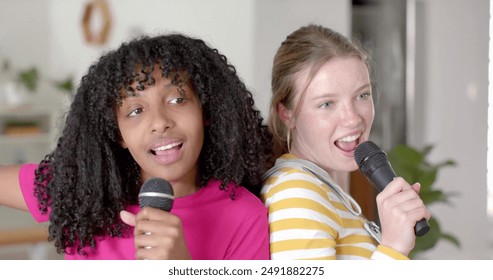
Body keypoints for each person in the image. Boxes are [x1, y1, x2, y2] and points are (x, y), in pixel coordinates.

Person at [0, 33, 273, 260]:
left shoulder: (243, 216)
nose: (160, 123)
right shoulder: (83, 189)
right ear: (117, 132)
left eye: (177, 100)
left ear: (206, 112)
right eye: (135, 110)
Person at [261, 24, 431, 260]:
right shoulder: (297, 195)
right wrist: (393, 248)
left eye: (362, 95)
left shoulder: (324, 193)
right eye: (326, 104)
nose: (353, 119)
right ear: (286, 114)